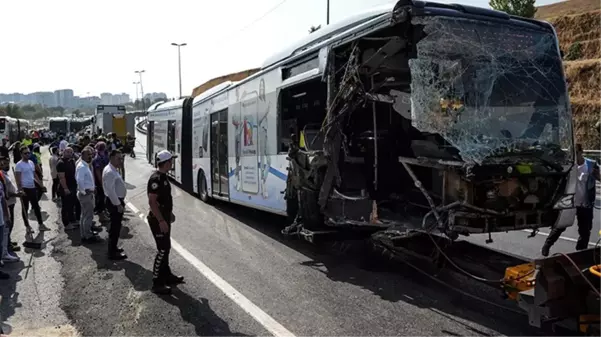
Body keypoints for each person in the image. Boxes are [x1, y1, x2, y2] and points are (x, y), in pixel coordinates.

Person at [542, 143, 601, 256]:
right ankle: (547, 245)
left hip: (585, 203)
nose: (574, 156)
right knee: (560, 226)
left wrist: (598, 176)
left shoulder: (591, 165)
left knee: (585, 231)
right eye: (572, 154)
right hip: (570, 202)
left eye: (576, 153)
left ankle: (580, 253)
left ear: (581, 152)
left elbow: (599, 178)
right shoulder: (568, 165)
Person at [147, 150, 183, 294]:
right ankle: (157, 282)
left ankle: (167, 275)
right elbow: (152, 202)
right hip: (157, 220)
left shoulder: (163, 177)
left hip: (164, 217)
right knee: (162, 250)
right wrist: (161, 220)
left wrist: (169, 213)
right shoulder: (156, 179)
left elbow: (164, 200)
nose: (172, 163)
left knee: (166, 248)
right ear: (167, 163)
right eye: (171, 161)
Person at [15, 146, 49, 234]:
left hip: (32, 187)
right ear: (21, 154)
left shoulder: (31, 163)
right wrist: (20, 190)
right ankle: (27, 227)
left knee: (36, 207)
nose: (27, 154)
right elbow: (18, 180)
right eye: (25, 153)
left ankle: (41, 225)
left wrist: (41, 185)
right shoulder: (19, 165)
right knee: (25, 208)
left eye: (28, 153)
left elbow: (34, 176)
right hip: (24, 189)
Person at [103, 149, 127, 260]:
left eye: (121, 158)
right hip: (114, 202)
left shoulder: (113, 169)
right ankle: (112, 252)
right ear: (112, 158)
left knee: (116, 227)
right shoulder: (110, 172)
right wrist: (118, 205)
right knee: (115, 228)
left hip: (116, 200)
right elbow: (110, 191)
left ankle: (114, 247)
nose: (120, 161)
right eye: (118, 158)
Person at [76, 147, 101, 243]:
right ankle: (87, 235)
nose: (90, 156)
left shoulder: (85, 165)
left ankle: (85, 233)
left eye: (91, 154)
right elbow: (79, 180)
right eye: (88, 155)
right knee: (88, 216)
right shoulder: (82, 166)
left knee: (84, 215)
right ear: (82, 155)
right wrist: (84, 191)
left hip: (87, 193)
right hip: (86, 194)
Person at [0, 157, 20, 254]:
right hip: (7, 203)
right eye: (4, 164)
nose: (7, 165)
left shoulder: (5, 173)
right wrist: (17, 194)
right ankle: (7, 246)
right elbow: (5, 193)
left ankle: (9, 242)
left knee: (10, 224)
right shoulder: (1, 175)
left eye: (8, 163)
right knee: (8, 224)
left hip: (11, 202)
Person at [57, 147, 79, 231]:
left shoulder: (71, 161)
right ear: (63, 152)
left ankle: (72, 220)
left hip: (73, 186)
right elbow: (61, 178)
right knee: (65, 206)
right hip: (65, 187)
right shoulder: (61, 163)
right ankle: (66, 224)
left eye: (71, 152)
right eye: (67, 152)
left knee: (72, 205)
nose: (69, 154)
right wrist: (65, 188)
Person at [93, 141, 109, 222]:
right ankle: (101, 216)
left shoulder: (104, 156)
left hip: (105, 180)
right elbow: (97, 171)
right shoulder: (97, 158)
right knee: (101, 198)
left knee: (104, 198)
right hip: (101, 182)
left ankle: (103, 212)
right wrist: (102, 183)